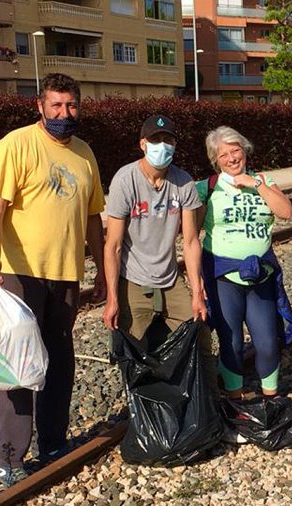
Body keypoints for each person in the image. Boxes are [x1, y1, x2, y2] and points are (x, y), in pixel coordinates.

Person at [0, 73, 105, 487]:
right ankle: (9, 457)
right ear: (40, 106)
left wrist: (101, 269)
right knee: (17, 365)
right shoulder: (15, 146)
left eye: (70, 106)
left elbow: (91, 219)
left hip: (66, 274)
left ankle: (53, 442)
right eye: (55, 105)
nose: (63, 114)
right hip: (22, 273)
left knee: (57, 360)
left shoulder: (85, 154)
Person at [102, 114, 215, 387]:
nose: (162, 146)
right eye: (155, 140)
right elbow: (113, 245)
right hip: (134, 278)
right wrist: (112, 298)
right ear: (143, 144)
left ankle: (206, 400)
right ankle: (139, 409)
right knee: (132, 346)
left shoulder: (183, 182)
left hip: (169, 277)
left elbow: (189, 241)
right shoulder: (125, 180)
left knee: (198, 333)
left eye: (168, 140)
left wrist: (197, 292)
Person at [196, 126, 292, 400]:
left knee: (266, 343)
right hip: (224, 277)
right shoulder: (208, 187)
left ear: (245, 149)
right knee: (232, 343)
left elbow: (285, 212)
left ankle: (270, 400)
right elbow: (189, 231)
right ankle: (235, 401)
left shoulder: (263, 180)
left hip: (259, 275)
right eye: (223, 154)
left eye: (235, 150)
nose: (231, 158)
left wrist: (257, 185)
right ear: (216, 160)